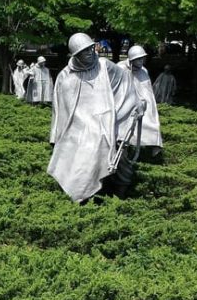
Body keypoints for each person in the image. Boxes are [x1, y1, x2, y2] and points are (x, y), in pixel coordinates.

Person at [48, 33, 144, 202]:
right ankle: (81, 195)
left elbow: (125, 85)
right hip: (79, 127)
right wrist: (56, 136)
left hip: (108, 121)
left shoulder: (105, 66)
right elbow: (59, 110)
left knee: (117, 152)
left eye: (92, 48)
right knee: (79, 151)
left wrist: (136, 104)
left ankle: (119, 196)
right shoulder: (65, 76)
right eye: (85, 51)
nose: (91, 53)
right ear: (75, 55)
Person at [117, 46, 163, 155]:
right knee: (125, 125)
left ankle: (151, 147)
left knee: (152, 124)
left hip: (143, 105)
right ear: (132, 59)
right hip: (126, 104)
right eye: (138, 59)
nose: (141, 61)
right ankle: (123, 145)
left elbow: (148, 92)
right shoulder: (121, 68)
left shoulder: (144, 71)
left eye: (142, 58)